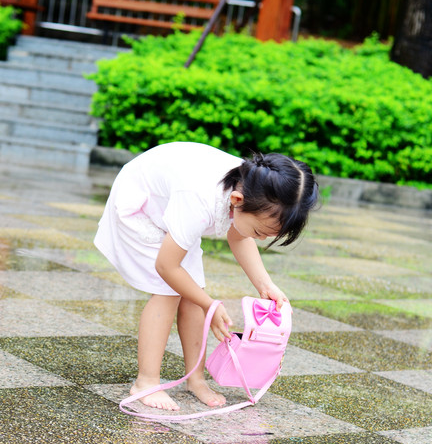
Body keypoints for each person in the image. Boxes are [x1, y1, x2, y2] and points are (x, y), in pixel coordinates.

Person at [94, 141, 319, 411]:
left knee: (193, 290)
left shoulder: (254, 187)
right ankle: (146, 382)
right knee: (169, 291)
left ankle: (196, 379)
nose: (260, 238)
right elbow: (166, 267)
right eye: (261, 233)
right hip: (141, 203)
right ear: (237, 201)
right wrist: (209, 305)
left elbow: (240, 234)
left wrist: (265, 284)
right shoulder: (199, 199)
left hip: (174, 203)